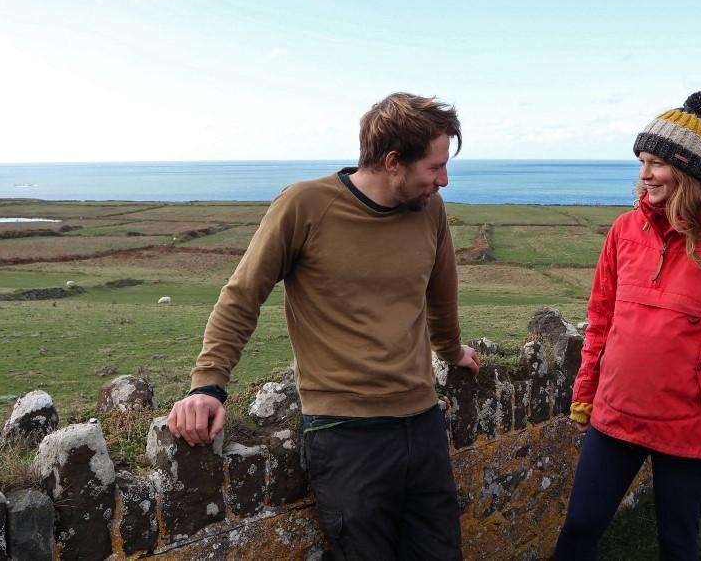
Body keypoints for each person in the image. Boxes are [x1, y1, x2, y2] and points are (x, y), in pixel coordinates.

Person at [167, 92, 480, 560]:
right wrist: (207, 387)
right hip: (345, 431)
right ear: (394, 162)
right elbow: (242, 295)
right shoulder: (305, 206)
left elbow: (440, 296)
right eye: (435, 167)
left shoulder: (429, 210)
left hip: (422, 421)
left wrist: (452, 351)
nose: (444, 180)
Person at [553, 90, 701, 560]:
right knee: (579, 528)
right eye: (642, 160)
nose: (644, 174)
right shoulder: (623, 230)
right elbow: (601, 319)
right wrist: (586, 388)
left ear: (687, 169)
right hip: (616, 412)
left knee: (677, 542)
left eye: (656, 162)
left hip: (690, 423)